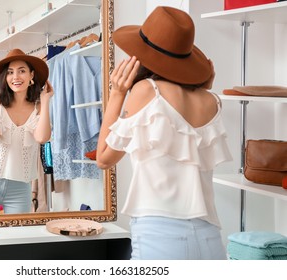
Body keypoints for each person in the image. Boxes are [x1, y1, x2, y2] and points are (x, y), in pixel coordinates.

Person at [96, 6, 233, 260]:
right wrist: (203, 86)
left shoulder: (146, 90)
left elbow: (104, 158)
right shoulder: (212, 101)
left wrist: (117, 94)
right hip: (210, 238)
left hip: (160, 235)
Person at [0, 48, 54, 215]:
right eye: (10, 72)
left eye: (22, 71)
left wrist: (45, 101)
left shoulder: (38, 108)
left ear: (31, 75)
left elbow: (42, 138)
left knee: (17, 237)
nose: (15, 77)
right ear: (5, 78)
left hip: (20, 188)